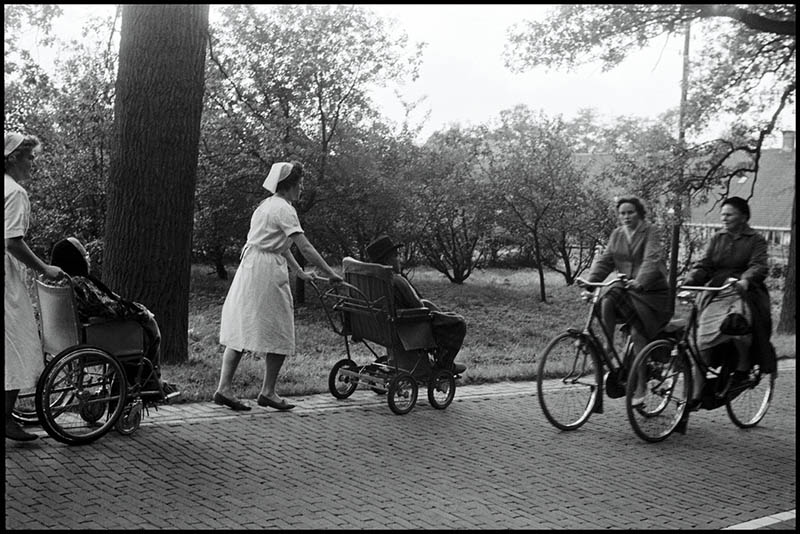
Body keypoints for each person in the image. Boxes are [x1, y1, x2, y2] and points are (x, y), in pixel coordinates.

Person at [215, 161, 343, 411]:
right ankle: (267, 391)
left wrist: (299, 273)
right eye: (300, 184)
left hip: (252, 268)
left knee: (242, 325)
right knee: (281, 328)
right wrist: (331, 273)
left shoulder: (266, 206)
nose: (302, 189)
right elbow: (304, 246)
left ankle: (225, 388)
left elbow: (281, 245)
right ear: (290, 186)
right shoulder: (284, 209)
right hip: (265, 273)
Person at [49, 237, 179, 400]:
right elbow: (108, 308)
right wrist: (140, 311)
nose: (87, 259)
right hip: (92, 336)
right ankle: (150, 382)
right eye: (84, 255)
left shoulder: (55, 281)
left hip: (62, 338)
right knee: (148, 327)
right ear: (75, 259)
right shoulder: (79, 283)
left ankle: (146, 382)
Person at [682, 196, 777, 406]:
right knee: (701, 342)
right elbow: (705, 263)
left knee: (739, 324)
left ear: (743, 217)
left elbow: (759, 266)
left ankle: (743, 366)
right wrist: (691, 279)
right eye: (722, 214)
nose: (724, 218)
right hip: (717, 290)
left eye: (729, 214)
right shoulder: (717, 238)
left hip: (744, 292)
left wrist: (746, 280)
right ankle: (696, 395)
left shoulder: (756, 240)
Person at [5, 132, 66, 441]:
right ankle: (5, 418)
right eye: (29, 158)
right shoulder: (15, 192)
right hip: (6, 280)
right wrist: (44, 267)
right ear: (14, 158)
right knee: (17, 343)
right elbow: (12, 241)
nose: (32, 164)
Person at [586, 196, 672, 406]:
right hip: (628, 289)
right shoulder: (617, 234)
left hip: (651, 293)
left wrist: (640, 282)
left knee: (637, 334)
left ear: (639, 213)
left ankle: (641, 384)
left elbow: (652, 259)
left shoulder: (651, 231)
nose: (625, 217)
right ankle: (608, 345)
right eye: (622, 213)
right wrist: (589, 283)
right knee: (607, 297)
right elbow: (606, 260)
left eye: (630, 212)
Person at [365, 235, 468, 375]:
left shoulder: (372, 280)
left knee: (432, 308)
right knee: (458, 323)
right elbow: (418, 305)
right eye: (396, 256)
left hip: (381, 325)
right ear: (388, 259)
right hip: (406, 327)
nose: (399, 260)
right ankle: (445, 365)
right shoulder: (396, 280)